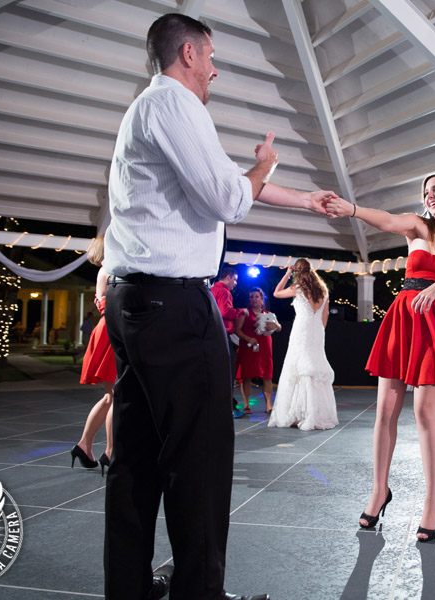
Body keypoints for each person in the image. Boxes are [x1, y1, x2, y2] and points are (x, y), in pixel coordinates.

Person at [102, 13, 335, 600]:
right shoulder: (177, 106)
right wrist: (268, 164)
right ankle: (199, 593)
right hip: (173, 305)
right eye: (210, 58)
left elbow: (224, 183)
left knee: (136, 457)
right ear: (188, 53)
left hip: (134, 303)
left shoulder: (144, 110)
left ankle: (128, 588)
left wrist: (305, 200)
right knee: (199, 460)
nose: (215, 71)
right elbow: (230, 196)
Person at [325, 171, 435, 542]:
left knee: (425, 413)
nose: (430, 195)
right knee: (384, 411)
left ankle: (432, 501)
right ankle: (379, 490)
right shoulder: (416, 226)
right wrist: (351, 209)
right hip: (404, 319)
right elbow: (386, 219)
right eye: (426, 191)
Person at [268, 259, 338, 430]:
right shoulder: (323, 290)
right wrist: (320, 331)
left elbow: (276, 293)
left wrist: (286, 274)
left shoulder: (297, 289)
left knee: (299, 368)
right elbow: (326, 314)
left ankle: (300, 412)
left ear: (297, 272)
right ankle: (314, 412)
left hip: (302, 330)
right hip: (317, 331)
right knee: (314, 367)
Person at [72, 235, 115, 477]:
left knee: (111, 397)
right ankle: (110, 452)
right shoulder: (110, 269)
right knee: (117, 397)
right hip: (113, 331)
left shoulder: (106, 270)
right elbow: (108, 306)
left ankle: (84, 445)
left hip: (109, 330)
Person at [234, 287, 280, 415]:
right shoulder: (245, 313)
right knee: (247, 375)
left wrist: (276, 326)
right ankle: (247, 405)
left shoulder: (268, 314)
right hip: (248, 346)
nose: (253, 299)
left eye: (256, 296)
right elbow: (237, 329)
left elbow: (279, 327)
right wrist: (248, 338)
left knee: (266, 375)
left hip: (264, 347)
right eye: (251, 297)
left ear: (262, 299)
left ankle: (269, 405)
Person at [212, 267, 248, 418]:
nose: (236, 283)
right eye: (235, 279)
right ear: (228, 277)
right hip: (222, 334)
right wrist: (241, 311)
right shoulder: (224, 291)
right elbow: (225, 312)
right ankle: (228, 409)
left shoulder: (212, 289)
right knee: (228, 372)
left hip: (212, 334)